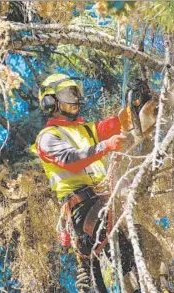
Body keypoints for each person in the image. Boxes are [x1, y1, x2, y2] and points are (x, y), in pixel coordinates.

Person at [32, 73, 140, 293]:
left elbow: (117, 123)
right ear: (51, 101)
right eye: (67, 94)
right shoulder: (48, 136)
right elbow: (71, 160)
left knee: (134, 246)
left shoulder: (87, 129)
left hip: (101, 200)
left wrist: (136, 105)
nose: (74, 99)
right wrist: (106, 146)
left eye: (75, 93)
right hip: (82, 208)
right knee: (120, 254)